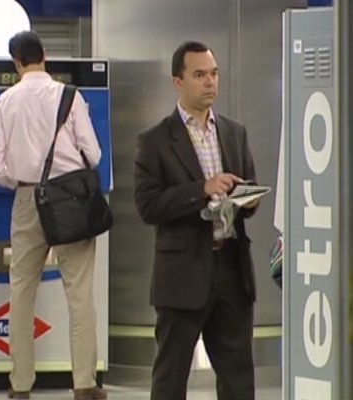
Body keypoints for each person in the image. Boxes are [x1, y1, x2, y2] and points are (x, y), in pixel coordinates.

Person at [0, 31, 107, 400]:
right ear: (45, 55)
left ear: (16, 62)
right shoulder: (70, 96)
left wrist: (21, 182)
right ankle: (84, 384)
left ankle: (21, 384)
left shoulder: (6, 101)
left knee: (21, 291)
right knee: (79, 294)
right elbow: (94, 154)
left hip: (27, 198)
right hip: (70, 199)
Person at [133, 41, 260, 400]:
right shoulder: (155, 140)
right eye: (200, 75)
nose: (210, 82)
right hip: (182, 274)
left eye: (214, 74)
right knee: (171, 378)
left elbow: (249, 186)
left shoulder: (235, 132)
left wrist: (248, 200)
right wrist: (202, 189)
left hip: (232, 269)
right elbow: (148, 206)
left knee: (238, 378)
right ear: (178, 82)